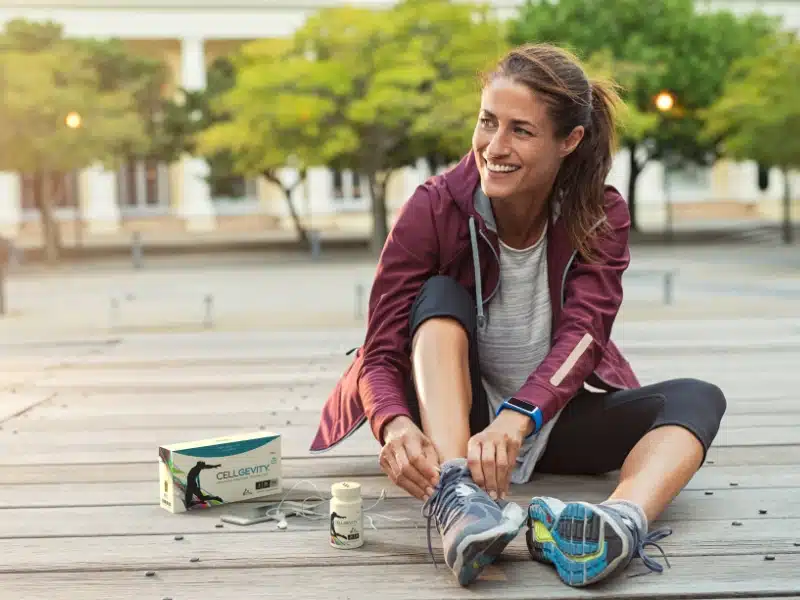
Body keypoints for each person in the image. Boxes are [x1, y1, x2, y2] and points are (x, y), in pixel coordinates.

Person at [310, 43, 726, 588]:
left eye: (520, 131)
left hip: (545, 419)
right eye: (487, 122)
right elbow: (381, 349)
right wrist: (395, 422)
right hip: (454, 425)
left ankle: (619, 522)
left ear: (569, 141)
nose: (494, 146)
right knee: (438, 297)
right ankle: (458, 501)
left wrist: (521, 415)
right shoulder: (432, 207)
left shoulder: (600, 214)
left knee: (697, 397)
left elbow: (585, 335)